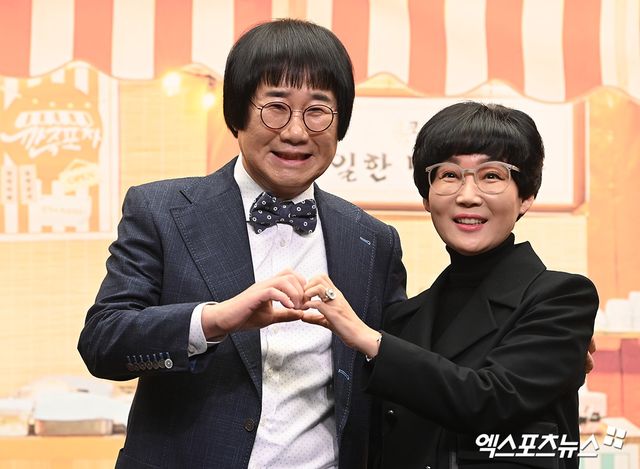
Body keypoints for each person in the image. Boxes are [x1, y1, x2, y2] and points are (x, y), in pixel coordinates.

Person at [77, 19, 406, 468]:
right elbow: (102, 344)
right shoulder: (160, 210)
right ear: (237, 114)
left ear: (340, 122)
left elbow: (392, 377)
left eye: (318, 110)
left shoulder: (373, 239)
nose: (296, 132)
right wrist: (214, 320)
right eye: (276, 107)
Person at [301, 102, 599, 468]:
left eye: (492, 176)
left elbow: (488, 400)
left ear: (526, 197)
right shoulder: (404, 318)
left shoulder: (561, 299)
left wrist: (367, 339)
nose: (468, 195)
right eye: (449, 175)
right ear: (427, 197)